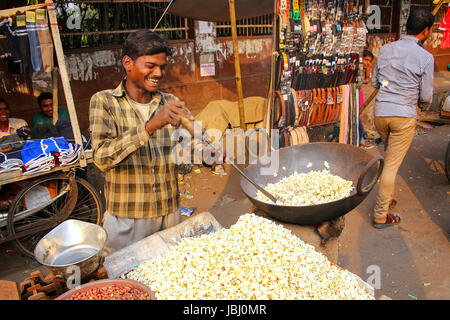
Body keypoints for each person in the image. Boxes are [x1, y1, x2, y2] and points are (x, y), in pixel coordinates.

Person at [89, 30, 199, 255]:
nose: (158, 73)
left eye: (162, 66)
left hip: (168, 215)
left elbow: (189, 147)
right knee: (126, 284)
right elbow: (101, 158)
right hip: (128, 221)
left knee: (171, 280)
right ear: (128, 63)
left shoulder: (171, 102)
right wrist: (149, 127)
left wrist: (209, 151)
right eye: (150, 65)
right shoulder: (105, 102)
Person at [371, 9, 434, 229]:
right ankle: (380, 215)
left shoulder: (386, 49)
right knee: (391, 165)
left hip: (380, 114)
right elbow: (426, 96)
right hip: (403, 116)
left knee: (390, 156)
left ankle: (386, 198)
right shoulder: (425, 57)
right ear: (426, 31)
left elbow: (376, 82)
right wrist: (422, 107)